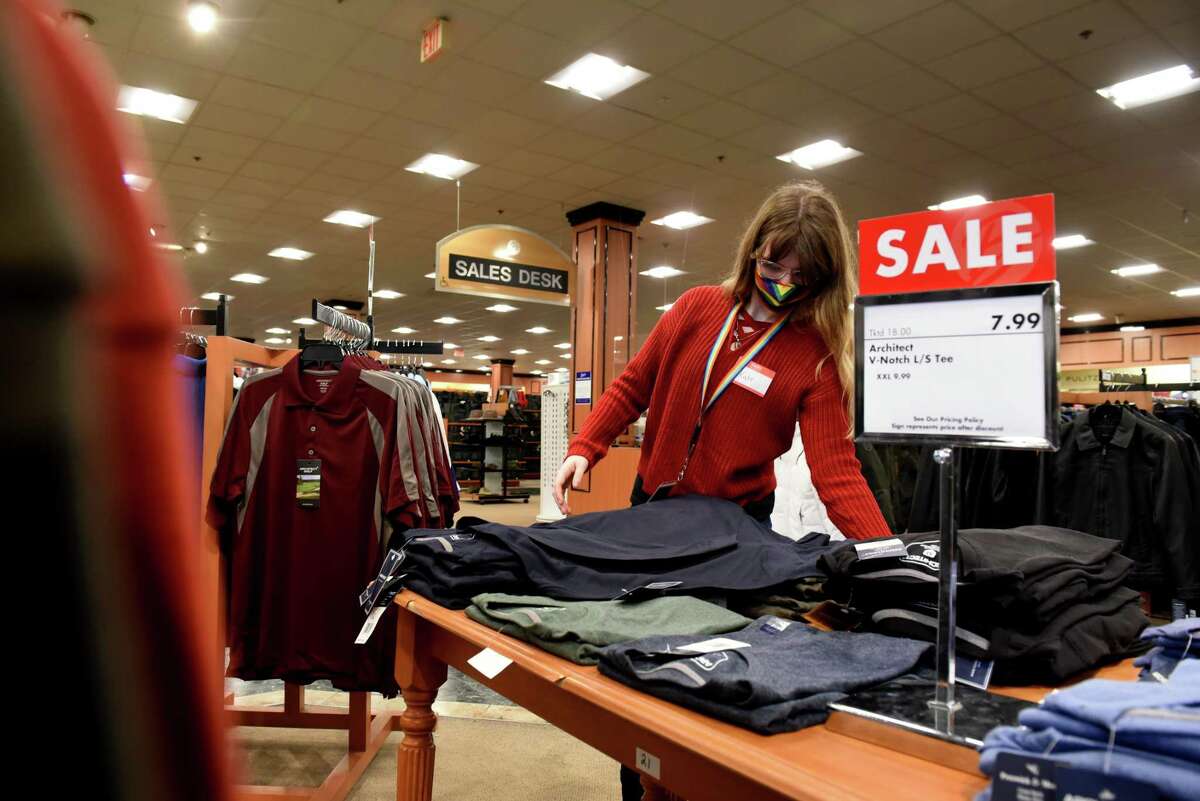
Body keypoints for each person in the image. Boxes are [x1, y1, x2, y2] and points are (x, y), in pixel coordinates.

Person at [553, 180, 891, 537]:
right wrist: (586, 446)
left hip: (736, 527)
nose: (785, 283)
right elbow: (633, 386)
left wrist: (887, 555)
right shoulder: (695, 307)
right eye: (773, 266)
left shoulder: (816, 356)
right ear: (753, 251)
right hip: (654, 504)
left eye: (802, 275)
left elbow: (837, 472)